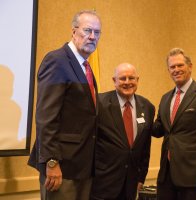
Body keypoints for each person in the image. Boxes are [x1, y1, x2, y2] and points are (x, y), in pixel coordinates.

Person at [28, 10, 101, 200]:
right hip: (61, 168)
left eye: (97, 32)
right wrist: (51, 162)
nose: (92, 36)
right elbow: (46, 117)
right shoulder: (57, 60)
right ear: (74, 31)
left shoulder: (86, 67)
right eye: (87, 30)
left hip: (83, 168)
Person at [152, 48, 196, 200]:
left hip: (192, 174)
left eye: (180, 65)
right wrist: (139, 116)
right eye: (172, 67)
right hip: (166, 173)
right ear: (168, 71)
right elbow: (159, 129)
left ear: (190, 66)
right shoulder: (165, 98)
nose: (176, 70)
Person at [90, 63, 155, 200]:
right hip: (102, 184)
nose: (127, 82)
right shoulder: (99, 103)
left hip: (130, 185)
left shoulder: (147, 107)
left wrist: (141, 178)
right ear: (114, 81)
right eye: (122, 78)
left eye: (131, 78)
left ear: (137, 80)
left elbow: (145, 147)